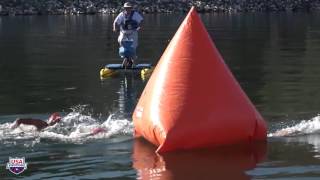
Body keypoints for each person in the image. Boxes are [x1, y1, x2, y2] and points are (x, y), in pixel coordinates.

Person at [11, 112, 107, 136]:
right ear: (50, 120)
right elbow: (20, 120)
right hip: (28, 135)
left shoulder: (63, 126)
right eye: (56, 120)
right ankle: (93, 133)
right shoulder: (42, 124)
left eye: (58, 120)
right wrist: (14, 125)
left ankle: (93, 133)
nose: (58, 121)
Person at [113, 2, 143, 68]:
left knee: (133, 46)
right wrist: (115, 28)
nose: (128, 9)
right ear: (124, 8)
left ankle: (133, 62)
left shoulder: (135, 14)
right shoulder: (121, 14)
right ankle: (126, 58)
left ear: (131, 8)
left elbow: (141, 21)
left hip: (133, 32)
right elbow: (115, 22)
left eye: (129, 8)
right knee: (121, 42)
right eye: (126, 8)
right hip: (123, 32)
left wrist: (140, 27)